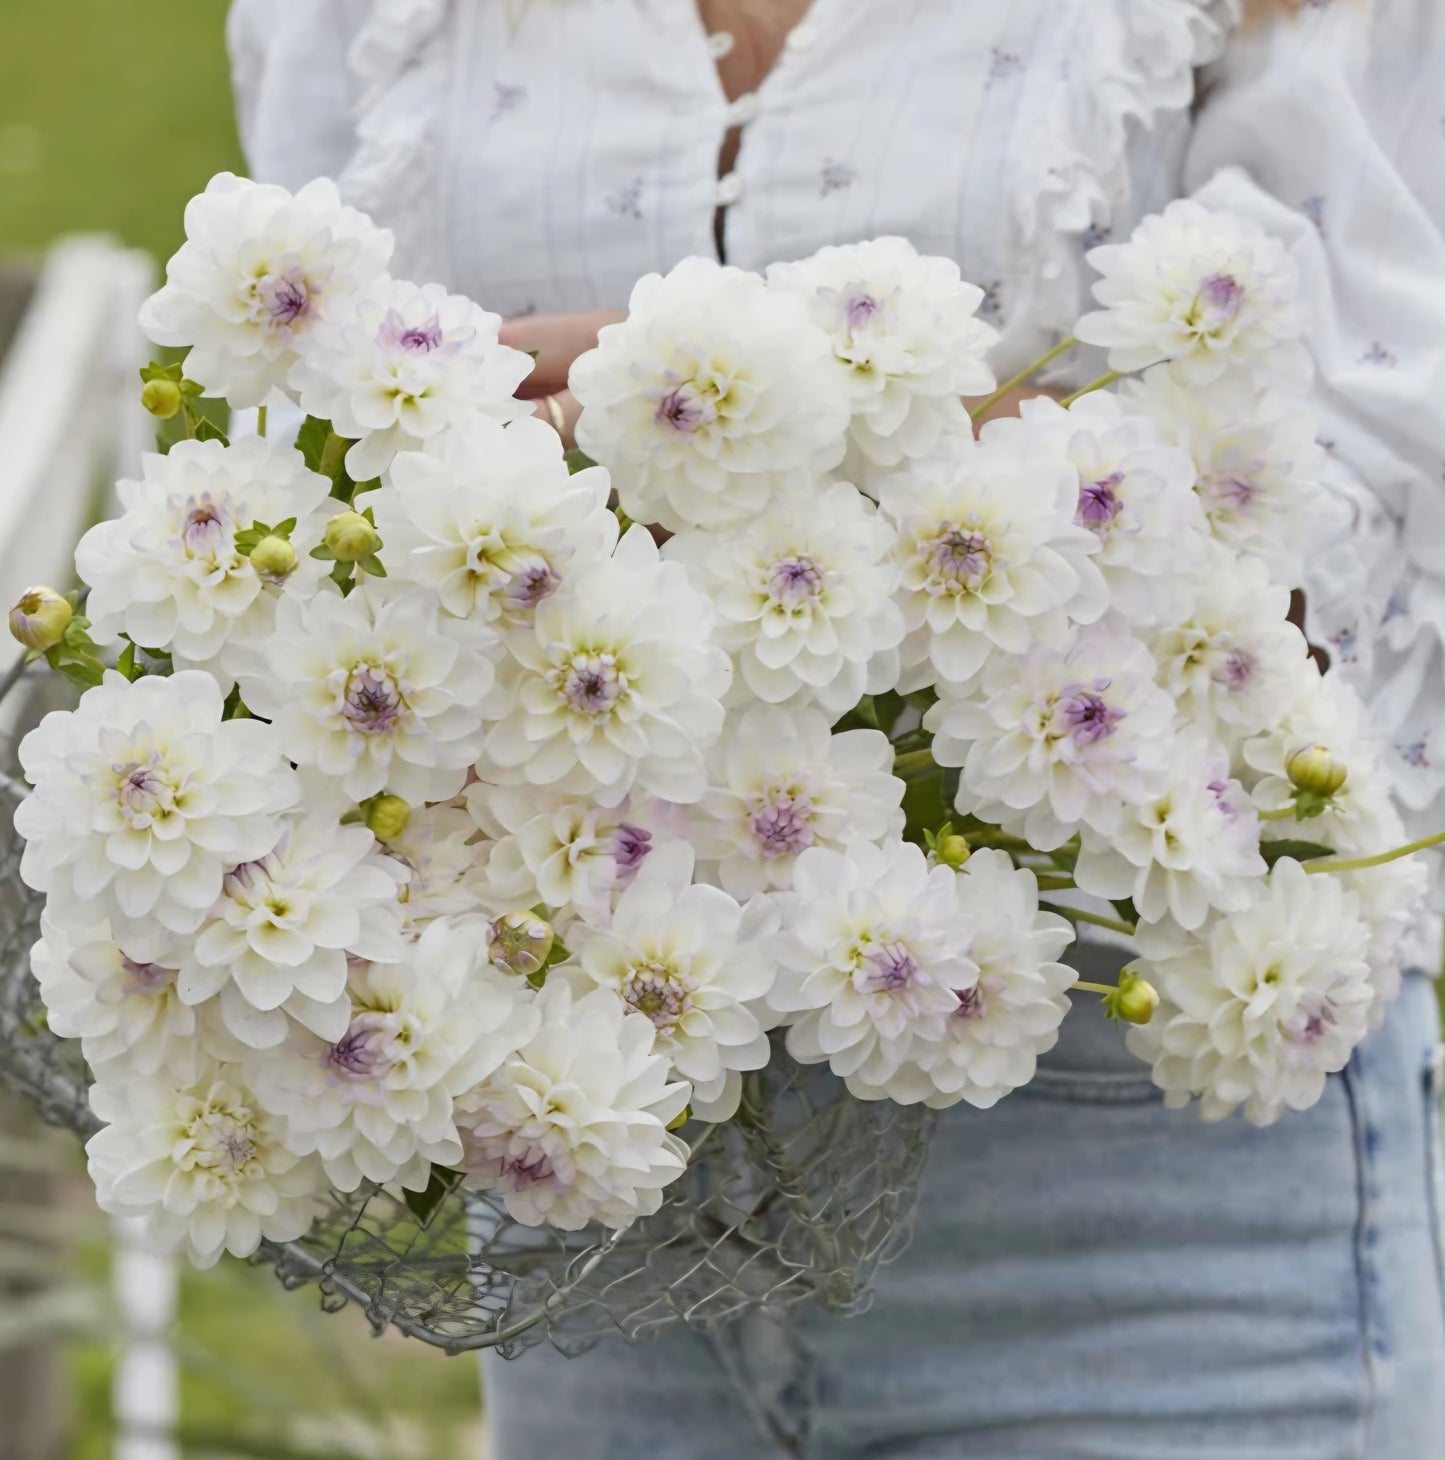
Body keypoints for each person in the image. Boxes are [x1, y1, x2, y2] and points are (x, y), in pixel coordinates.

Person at [225, 1, 1445, 1454]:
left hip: (1134, 1179)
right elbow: (304, 464)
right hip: (593, 1168)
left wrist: (715, 405)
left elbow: (1334, 519)